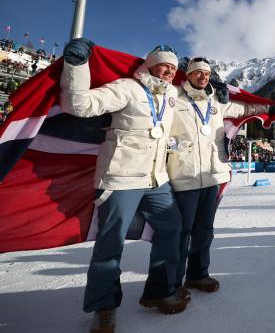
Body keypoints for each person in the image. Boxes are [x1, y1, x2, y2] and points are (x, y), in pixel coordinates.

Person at [60, 39, 187, 333]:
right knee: (111, 243)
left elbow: (197, 101)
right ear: (150, 64)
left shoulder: (172, 95)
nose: (169, 70)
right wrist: (76, 66)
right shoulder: (127, 88)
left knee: (172, 229)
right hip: (120, 178)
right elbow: (78, 105)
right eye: (164, 64)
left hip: (157, 179)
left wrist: (210, 90)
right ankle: (103, 307)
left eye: (173, 67)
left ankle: (160, 291)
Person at [168, 57, 275, 298]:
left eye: (206, 73)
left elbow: (245, 109)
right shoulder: (173, 97)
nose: (203, 76)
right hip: (184, 175)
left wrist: (270, 108)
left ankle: (198, 275)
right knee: (181, 232)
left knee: (204, 230)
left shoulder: (216, 101)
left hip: (212, 175)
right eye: (197, 72)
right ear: (188, 75)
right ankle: (173, 283)